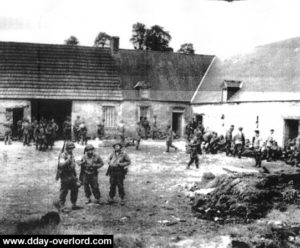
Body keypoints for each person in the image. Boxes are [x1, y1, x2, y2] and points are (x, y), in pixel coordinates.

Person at [57, 141, 81, 210]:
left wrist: (75, 176)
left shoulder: (71, 154)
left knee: (75, 189)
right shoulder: (63, 155)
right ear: (67, 148)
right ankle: (61, 205)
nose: (71, 150)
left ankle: (74, 204)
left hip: (72, 175)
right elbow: (61, 165)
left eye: (72, 148)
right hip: (65, 175)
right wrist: (68, 159)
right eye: (69, 148)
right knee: (64, 191)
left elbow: (73, 166)